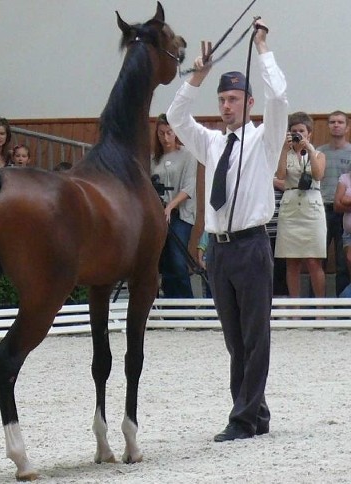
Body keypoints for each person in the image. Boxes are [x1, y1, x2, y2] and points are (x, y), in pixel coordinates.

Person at [166, 19, 288, 442]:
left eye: (234, 99)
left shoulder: (265, 139)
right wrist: (197, 75)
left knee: (256, 337)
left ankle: (243, 418)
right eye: (222, 99)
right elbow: (175, 115)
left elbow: (281, 98)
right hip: (219, 251)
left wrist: (263, 48)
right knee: (236, 342)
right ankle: (258, 412)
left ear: (248, 102)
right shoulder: (212, 143)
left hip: (252, 245)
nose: (227, 106)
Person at [275, 112, 326, 298]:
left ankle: (321, 311)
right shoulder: (285, 153)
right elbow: (280, 176)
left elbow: (318, 175)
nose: (298, 134)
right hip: (290, 209)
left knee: (314, 262)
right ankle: (294, 309)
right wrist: (283, 149)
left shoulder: (318, 154)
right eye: (294, 131)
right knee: (292, 262)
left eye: (301, 131)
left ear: (309, 133)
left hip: (311, 208)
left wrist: (309, 149)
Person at [150, 113, 197, 298]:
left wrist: (171, 206)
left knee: (178, 260)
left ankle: (187, 307)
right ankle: (170, 306)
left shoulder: (187, 155)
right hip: (159, 214)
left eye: (170, 133)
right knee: (164, 261)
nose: (166, 138)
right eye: (162, 133)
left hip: (181, 213)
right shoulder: (154, 159)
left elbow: (189, 186)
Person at [318, 110, 351, 296]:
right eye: (332, 122)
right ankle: (318, 307)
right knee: (318, 257)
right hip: (321, 209)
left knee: (342, 261)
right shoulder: (319, 152)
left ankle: (341, 305)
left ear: (347, 127)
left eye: (340, 122)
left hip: (346, 212)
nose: (336, 125)